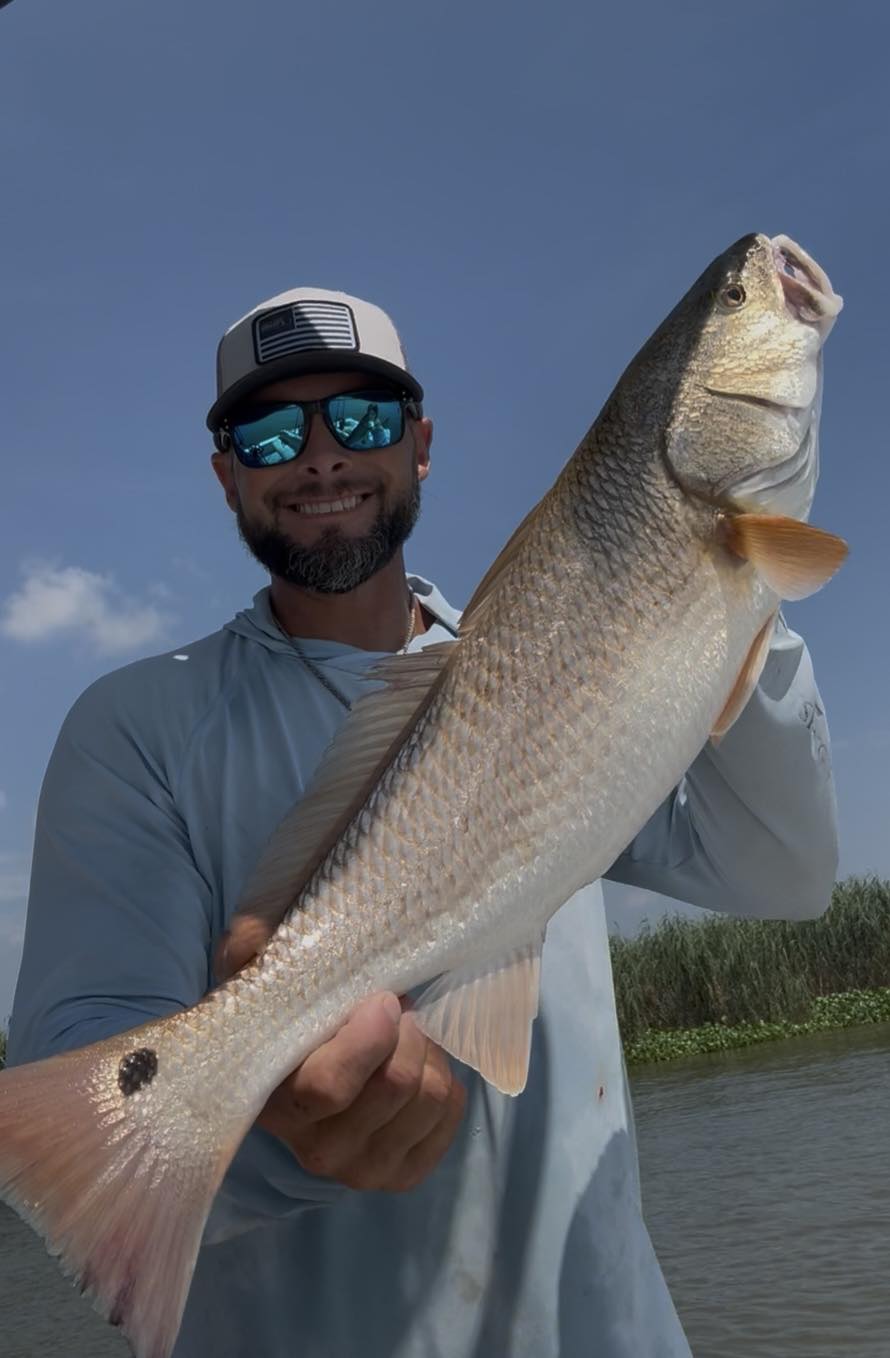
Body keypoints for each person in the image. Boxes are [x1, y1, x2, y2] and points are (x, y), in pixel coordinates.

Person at [8, 286, 839, 1357]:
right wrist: (284, 1138)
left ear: (422, 445)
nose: (321, 457)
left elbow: (785, 873)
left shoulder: (577, 664)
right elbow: (90, 1122)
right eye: (270, 433)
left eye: (361, 419)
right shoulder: (135, 727)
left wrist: (734, 602)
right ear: (226, 475)